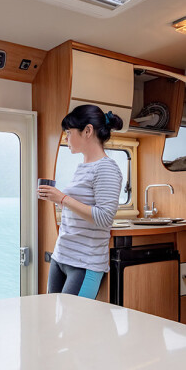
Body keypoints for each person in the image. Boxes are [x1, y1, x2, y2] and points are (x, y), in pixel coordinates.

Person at [38, 104, 123, 299]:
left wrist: (63, 198)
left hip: (84, 262)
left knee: (73, 325)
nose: (66, 137)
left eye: (69, 132)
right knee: (54, 319)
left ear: (87, 131)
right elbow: (77, 208)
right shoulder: (83, 166)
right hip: (61, 256)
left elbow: (104, 217)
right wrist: (57, 199)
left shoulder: (106, 168)